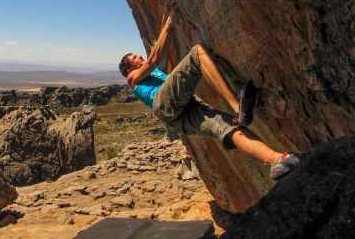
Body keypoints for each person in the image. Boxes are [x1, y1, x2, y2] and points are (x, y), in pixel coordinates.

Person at [119, 11, 299, 180]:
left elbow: (157, 49)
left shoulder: (151, 73)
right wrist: (169, 24)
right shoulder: (133, 78)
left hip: (180, 115)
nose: (139, 57)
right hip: (164, 105)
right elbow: (154, 58)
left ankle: (277, 159)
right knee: (197, 53)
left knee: (226, 126)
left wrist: (165, 14)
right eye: (134, 57)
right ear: (128, 68)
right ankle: (237, 105)